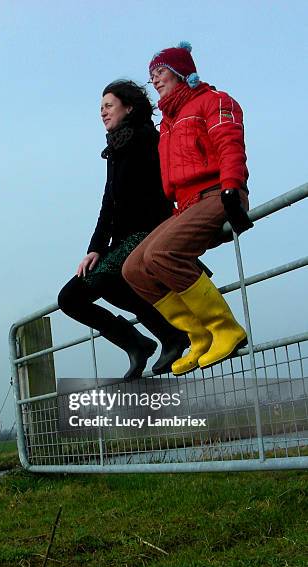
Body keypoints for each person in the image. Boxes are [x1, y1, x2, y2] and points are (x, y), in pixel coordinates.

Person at [122, 42, 253, 376]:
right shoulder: (168, 122)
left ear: (181, 72)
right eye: (151, 76)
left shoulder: (213, 101)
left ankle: (224, 328)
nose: (155, 80)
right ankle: (198, 336)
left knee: (162, 254)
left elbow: (229, 144)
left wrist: (231, 187)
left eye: (161, 72)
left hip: (217, 194)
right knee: (134, 268)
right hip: (186, 205)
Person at [58, 79, 189, 380]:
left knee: (107, 280)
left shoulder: (147, 139)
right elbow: (109, 203)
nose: (102, 112)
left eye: (109, 105)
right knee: (70, 298)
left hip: (148, 232)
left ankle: (171, 335)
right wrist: (95, 249)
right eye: (100, 107)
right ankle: (137, 344)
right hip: (121, 241)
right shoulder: (115, 147)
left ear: (128, 107)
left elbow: (162, 189)